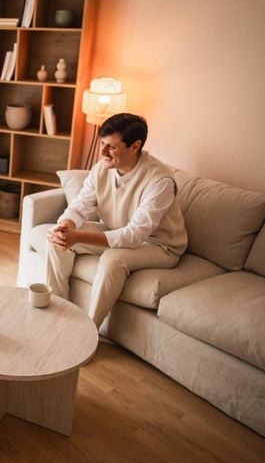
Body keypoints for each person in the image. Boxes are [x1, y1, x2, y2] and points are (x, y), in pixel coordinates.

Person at [46, 113, 187, 328]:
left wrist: (78, 237)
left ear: (135, 146)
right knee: (57, 240)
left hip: (159, 245)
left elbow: (134, 236)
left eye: (111, 146)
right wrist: (66, 227)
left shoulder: (160, 181)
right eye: (102, 143)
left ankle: (89, 331)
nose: (102, 152)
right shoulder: (101, 169)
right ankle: (56, 311)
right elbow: (80, 205)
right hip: (115, 230)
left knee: (113, 260)